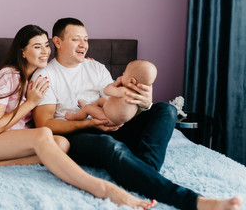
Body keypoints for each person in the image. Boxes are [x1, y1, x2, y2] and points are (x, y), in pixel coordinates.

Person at [30, 17, 242, 210]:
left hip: (112, 125)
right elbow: (45, 124)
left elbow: (119, 104)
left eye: (85, 39)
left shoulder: (96, 68)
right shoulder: (46, 75)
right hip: (77, 136)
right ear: (57, 42)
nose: (83, 44)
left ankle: (143, 172)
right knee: (109, 145)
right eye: (76, 39)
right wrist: (91, 123)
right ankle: (195, 201)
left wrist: (142, 103)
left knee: (166, 110)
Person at [0, 24, 157, 209]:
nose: (45, 52)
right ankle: (103, 189)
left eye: (46, 46)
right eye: (37, 47)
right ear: (22, 51)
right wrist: (31, 102)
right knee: (43, 134)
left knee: (61, 144)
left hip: (11, 138)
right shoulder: (9, 74)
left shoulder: (37, 77)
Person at [65, 59, 157, 126]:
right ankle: (90, 107)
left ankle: (74, 117)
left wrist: (116, 83)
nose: (122, 75)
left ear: (131, 81)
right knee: (103, 99)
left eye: (124, 73)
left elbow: (106, 90)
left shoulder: (123, 91)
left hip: (107, 118)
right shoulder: (138, 96)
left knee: (88, 108)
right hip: (117, 119)